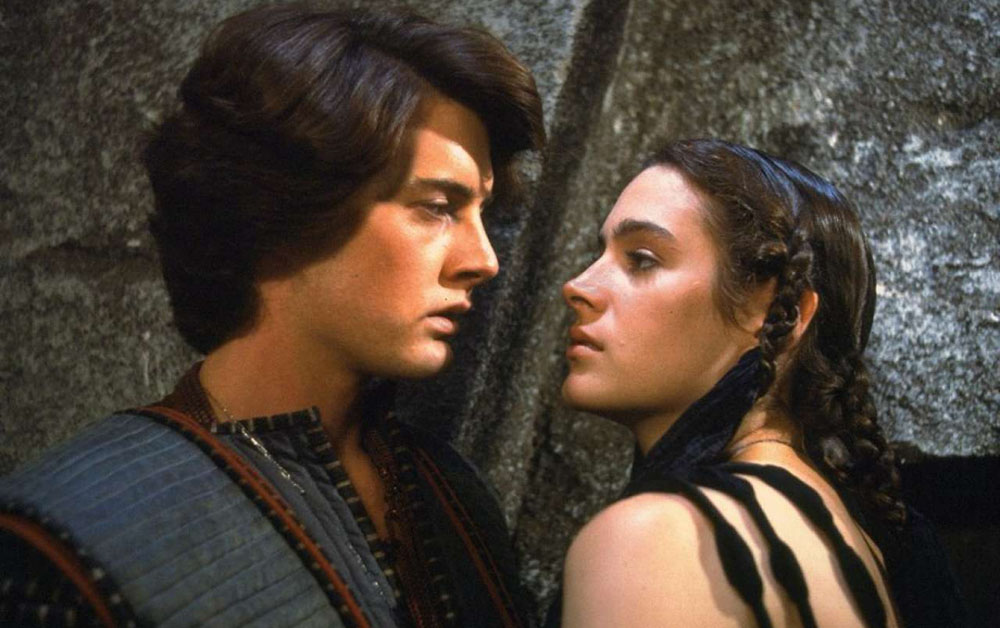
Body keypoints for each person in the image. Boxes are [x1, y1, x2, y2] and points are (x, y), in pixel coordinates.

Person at [0, 5, 544, 627]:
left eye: (482, 212)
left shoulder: (450, 494)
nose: (484, 260)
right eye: (437, 207)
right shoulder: (66, 540)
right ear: (284, 210)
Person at [554, 139, 966, 627]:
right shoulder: (864, 548)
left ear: (778, 311)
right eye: (599, 253)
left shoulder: (662, 540)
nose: (578, 286)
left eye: (642, 259)